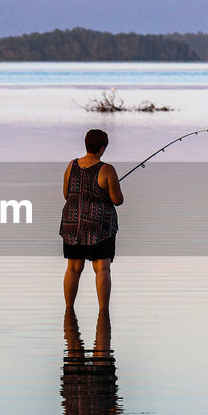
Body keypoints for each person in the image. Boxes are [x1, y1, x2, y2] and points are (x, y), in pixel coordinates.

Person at [60, 128, 123, 310]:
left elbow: (67, 194)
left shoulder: (71, 166)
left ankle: (69, 310)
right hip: (100, 227)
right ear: (102, 149)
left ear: (86, 145)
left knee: (73, 268)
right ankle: (103, 311)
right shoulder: (107, 170)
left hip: (73, 225)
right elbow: (117, 200)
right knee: (102, 268)